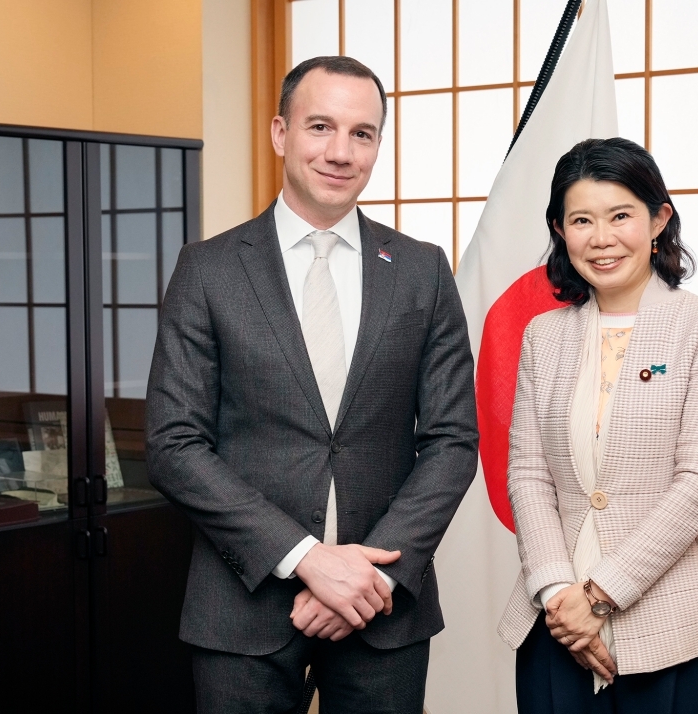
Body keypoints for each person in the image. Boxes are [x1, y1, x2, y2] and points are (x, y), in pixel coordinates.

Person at [145, 56, 478, 714]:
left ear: (379, 144)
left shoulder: (421, 270)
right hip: (241, 610)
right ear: (280, 133)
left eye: (362, 133)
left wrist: (368, 575)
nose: (340, 151)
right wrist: (306, 559)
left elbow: (452, 440)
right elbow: (174, 443)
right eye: (320, 126)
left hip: (383, 610)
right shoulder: (207, 269)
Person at [497, 137, 698, 713]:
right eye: (581, 219)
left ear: (658, 219)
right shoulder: (544, 335)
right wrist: (562, 594)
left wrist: (600, 595)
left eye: (620, 216)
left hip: (672, 623)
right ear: (561, 231)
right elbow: (529, 475)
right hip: (553, 622)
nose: (601, 237)